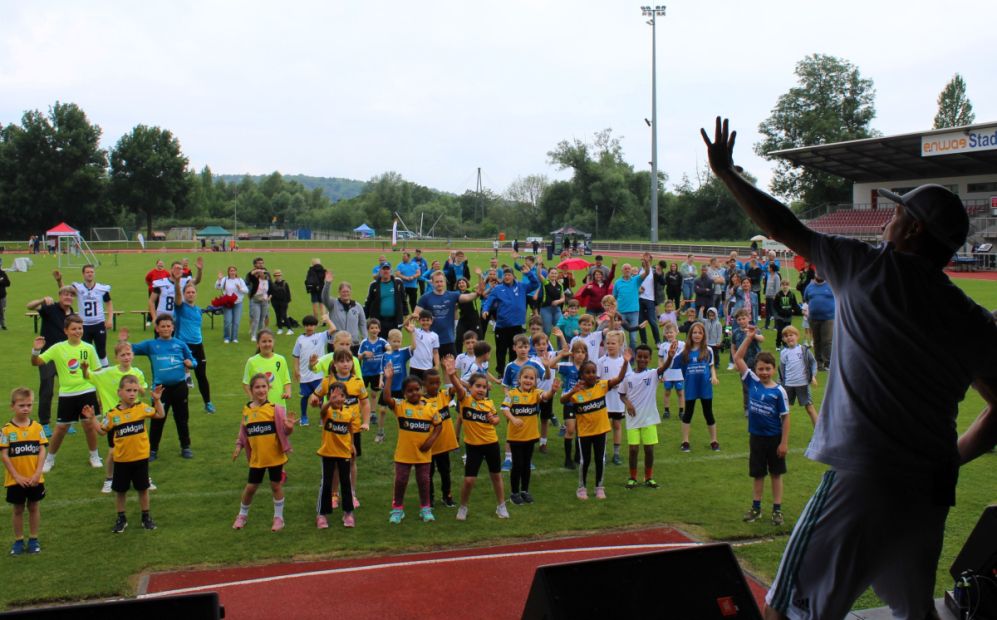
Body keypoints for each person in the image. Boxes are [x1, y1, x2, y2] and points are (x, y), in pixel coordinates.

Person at [703, 117, 997, 619]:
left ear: (913, 228)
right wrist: (952, 457)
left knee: (788, 611)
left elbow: (782, 226)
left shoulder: (866, 268)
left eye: (899, 212)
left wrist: (727, 174)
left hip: (861, 482)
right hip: (926, 491)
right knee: (915, 612)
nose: (888, 218)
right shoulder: (973, 320)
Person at [82, 378, 165, 533]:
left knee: (143, 488)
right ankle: (121, 518)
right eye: (128, 390)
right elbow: (101, 431)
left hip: (140, 458)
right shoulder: (113, 414)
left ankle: (146, 516)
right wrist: (93, 418)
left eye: (134, 390)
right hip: (121, 460)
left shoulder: (142, 408)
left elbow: (160, 414)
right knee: (121, 491)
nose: (132, 394)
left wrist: (157, 400)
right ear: (119, 392)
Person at [733, 326, 790, 527]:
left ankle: (777, 510)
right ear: (756, 369)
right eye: (761, 369)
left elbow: (786, 418)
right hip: (756, 437)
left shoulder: (779, 392)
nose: (764, 372)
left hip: (774, 439)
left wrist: (784, 443)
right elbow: (738, 359)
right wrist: (749, 338)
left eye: (768, 369)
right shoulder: (753, 382)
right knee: (758, 474)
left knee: (775, 474)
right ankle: (756, 508)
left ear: (773, 369)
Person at [31, 315, 102, 473]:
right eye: (74, 329)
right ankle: (49, 459)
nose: (78, 331)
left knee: (89, 425)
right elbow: (36, 362)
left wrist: (100, 395)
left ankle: (94, 456)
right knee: (61, 428)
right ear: (66, 331)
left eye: (80, 328)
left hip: (87, 391)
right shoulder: (58, 348)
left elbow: (97, 373)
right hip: (67, 394)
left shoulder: (88, 348)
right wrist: (36, 350)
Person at [120, 318, 197, 461]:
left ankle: (185, 447)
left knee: (182, 418)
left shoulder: (180, 344)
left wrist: (190, 363)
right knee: (157, 418)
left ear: (173, 327)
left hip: (180, 387)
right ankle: (153, 449)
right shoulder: (151, 345)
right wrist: (123, 342)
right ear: (157, 328)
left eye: (168, 326)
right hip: (160, 390)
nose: (166, 328)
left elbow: (194, 361)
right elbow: (131, 349)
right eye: (163, 326)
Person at [560, 350, 631, 500]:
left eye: (593, 372)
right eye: (588, 372)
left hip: (601, 431)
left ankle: (599, 487)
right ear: (581, 375)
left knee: (600, 460)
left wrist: (625, 362)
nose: (592, 375)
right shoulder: (576, 393)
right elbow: (562, 400)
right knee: (584, 461)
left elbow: (618, 379)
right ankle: (581, 487)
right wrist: (572, 391)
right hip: (584, 433)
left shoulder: (601, 386)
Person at [444, 358, 508, 521]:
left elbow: (496, 419)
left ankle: (501, 505)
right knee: (469, 480)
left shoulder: (489, 403)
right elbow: (458, 387)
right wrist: (452, 376)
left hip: (491, 444)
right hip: (473, 446)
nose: (481, 390)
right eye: (477, 386)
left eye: (484, 387)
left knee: (496, 476)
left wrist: (495, 420)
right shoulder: (465, 400)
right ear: (470, 387)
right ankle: (463, 506)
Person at [82, 342, 150, 494]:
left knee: (137, 448)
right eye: (123, 355)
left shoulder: (137, 372)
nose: (126, 357)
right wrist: (85, 369)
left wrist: (139, 388)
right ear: (116, 357)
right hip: (115, 419)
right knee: (114, 451)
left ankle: (144, 477)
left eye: (129, 354)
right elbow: (89, 376)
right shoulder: (108, 373)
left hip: (134, 417)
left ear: (133, 355)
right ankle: (109, 478)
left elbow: (144, 392)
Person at [231, 373, 296, 532]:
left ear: (269, 388)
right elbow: (244, 431)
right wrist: (239, 446)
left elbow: (284, 432)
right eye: (257, 387)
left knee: (276, 486)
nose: (261, 390)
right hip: (257, 458)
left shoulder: (276, 409)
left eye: (263, 386)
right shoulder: (246, 410)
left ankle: (279, 518)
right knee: (251, 487)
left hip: (274, 457)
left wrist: (289, 426)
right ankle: (242, 515)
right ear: (251, 390)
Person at [380, 366, 442, 524]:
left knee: (424, 481)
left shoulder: (430, 408)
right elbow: (387, 398)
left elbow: (439, 426)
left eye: (417, 389)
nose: (414, 393)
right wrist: (389, 379)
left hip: (423, 454)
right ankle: (397, 509)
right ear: (404, 393)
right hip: (404, 453)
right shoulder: (401, 406)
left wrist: (430, 441)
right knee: (401, 480)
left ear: (421, 389)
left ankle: (425, 509)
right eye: (410, 391)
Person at [310, 349, 370, 509]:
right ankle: (334, 494)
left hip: (352, 429)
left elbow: (365, 403)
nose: (345, 364)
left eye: (348, 361)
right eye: (341, 361)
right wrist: (314, 400)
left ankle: (351, 493)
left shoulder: (358, 382)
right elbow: (314, 396)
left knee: (351, 461)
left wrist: (366, 421)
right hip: (333, 430)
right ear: (334, 364)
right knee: (336, 464)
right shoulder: (327, 381)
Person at [619, 343, 675, 489]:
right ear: (635, 358)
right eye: (640, 356)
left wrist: (670, 357)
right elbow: (621, 394)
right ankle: (632, 478)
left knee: (649, 449)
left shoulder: (652, 374)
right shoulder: (628, 377)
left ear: (650, 359)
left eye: (645, 357)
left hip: (649, 419)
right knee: (633, 449)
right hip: (632, 419)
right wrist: (628, 404)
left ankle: (649, 477)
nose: (642, 359)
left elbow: (664, 367)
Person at [501, 365, 558, 505]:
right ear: (519, 379)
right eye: (525, 377)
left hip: (531, 436)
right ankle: (514, 493)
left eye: (531, 378)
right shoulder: (512, 394)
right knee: (517, 464)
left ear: (535, 381)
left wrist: (552, 390)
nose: (528, 380)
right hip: (515, 437)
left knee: (526, 465)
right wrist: (513, 419)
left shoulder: (536, 393)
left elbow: (546, 396)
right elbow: (504, 409)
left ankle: (524, 491)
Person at [2, 388, 46, 555]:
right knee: (18, 509)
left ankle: (34, 539)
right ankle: (19, 540)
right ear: (12, 406)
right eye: (22, 405)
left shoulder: (37, 427)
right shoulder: (6, 430)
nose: (26, 408)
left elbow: (42, 451)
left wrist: (37, 474)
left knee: (34, 507)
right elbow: (5, 456)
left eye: (29, 405)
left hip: (35, 478)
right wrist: (17, 476)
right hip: (16, 480)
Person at [26, 286, 75, 435]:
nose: (68, 297)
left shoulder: (72, 314)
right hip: (47, 356)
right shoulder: (50, 308)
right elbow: (29, 305)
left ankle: (66, 421)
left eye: (71, 295)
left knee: (69, 388)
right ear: (59, 296)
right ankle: (45, 423)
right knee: (47, 390)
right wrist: (42, 300)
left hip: (66, 357)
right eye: (65, 294)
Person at [315, 382, 359, 528]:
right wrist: (328, 403)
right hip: (328, 452)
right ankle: (321, 514)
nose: (338, 398)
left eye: (341, 395)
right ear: (329, 397)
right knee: (326, 483)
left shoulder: (349, 411)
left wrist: (352, 445)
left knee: (345, 482)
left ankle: (348, 513)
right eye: (334, 395)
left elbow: (349, 429)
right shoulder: (327, 411)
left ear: (345, 397)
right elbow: (322, 412)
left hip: (344, 452)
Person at [481, 265, 539, 375]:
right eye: (505, 275)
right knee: (501, 350)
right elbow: (489, 301)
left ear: (513, 276)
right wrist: (485, 310)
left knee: (515, 349)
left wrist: (529, 274)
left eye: (509, 275)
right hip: (502, 326)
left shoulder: (521, 286)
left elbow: (535, 284)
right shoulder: (498, 288)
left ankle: (513, 370)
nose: (507, 277)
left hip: (516, 325)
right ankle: (501, 372)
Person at [670, 321, 719, 452]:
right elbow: (674, 364)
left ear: (704, 335)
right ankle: (685, 441)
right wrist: (672, 353)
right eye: (694, 332)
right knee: (688, 413)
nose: (697, 335)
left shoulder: (708, 350)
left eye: (700, 332)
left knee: (708, 413)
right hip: (691, 386)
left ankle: (714, 441)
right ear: (690, 334)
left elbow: (711, 366)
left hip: (705, 386)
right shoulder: (685, 351)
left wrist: (714, 376)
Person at [416, 270, 481, 359]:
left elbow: (467, 297)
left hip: (448, 340)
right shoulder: (425, 298)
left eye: (441, 281)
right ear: (432, 283)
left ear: (445, 282)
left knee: (450, 370)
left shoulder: (452, 295)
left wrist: (477, 293)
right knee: (432, 370)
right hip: (430, 340)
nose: (439, 284)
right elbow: (416, 314)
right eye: (437, 282)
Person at [173, 282, 214, 414]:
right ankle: (176, 405)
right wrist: (177, 283)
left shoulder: (198, 310)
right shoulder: (180, 307)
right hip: (183, 346)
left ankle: (208, 403)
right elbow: (178, 298)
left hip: (198, 346)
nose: (190, 294)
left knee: (201, 375)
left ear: (196, 294)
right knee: (178, 378)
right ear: (184, 294)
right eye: (188, 292)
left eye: (193, 292)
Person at [422, 369, 458, 508]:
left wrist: (451, 374)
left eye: (438, 382)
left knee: (445, 471)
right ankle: (429, 498)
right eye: (432, 383)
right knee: (428, 474)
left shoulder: (443, 395)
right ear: (424, 384)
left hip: (443, 445)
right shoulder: (421, 401)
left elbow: (457, 388)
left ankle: (447, 496)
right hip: (429, 446)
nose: (435, 385)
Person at [597, 331, 630, 466]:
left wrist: (621, 386)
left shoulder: (624, 362)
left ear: (620, 344)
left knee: (617, 425)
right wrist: (607, 385)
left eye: (613, 343)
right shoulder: (601, 361)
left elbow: (628, 379)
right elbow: (597, 380)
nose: (610, 346)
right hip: (605, 399)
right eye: (608, 343)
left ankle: (616, 454)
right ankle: (602, 452)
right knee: (604, 427)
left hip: (618, 400)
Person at [778, 326, 819, 427]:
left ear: (797, 336)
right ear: (783, 339)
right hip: (788, 385)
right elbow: (782, 370)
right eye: (786, 336)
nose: (789, 337)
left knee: (809, 408)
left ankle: (819, 432)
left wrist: (813, 376)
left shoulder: (803, 350)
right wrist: (779, 384)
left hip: (803, 384)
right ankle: (778, 433)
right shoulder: (783, 353)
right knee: (784, 410)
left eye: (791, 335)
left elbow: (813, 363)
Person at [292, 315, 326, 427]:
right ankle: (304, 417)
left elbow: (333, 329)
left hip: (318, 374)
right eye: (307, 325)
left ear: (316, 326)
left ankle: (323, 417)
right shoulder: (300, 339)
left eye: (311, 325)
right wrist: (296, 370)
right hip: (304, 375)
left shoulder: (321, 336)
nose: (309, 327)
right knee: (304, 397)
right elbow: (296, 356)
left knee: (320, 396)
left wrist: (327, 319)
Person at [357, 318, 388, 442]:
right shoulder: (364, 342)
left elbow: (389, 347)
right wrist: (364, 354)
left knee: (374, 393)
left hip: (377, 372)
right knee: (361, 394)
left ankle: (373, 413)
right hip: (365, 372)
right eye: (372, 328)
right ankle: (358, 413)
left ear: (379, 329)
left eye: (376, 328)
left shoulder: (382, 342)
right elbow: (358, 356)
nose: (374, 330)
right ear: (368, 329)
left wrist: (391, 348)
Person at [322, 271, 367, 348]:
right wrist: (328, 283)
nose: (345, 293)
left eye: (347, 291)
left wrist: (365, 339)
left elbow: (362, 324)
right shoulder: (333, 304)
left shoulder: (357, 306)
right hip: (335, 344)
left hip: (353, 344)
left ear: (351, 292)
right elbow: (324, 298)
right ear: (339, 292)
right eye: (343, 292)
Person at [803, 271, 835, 371]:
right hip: (813, 318)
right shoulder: (810, 287)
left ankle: (828, 363)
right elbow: (806, 299)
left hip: (828, 318)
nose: (819, 274)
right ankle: (818, 363)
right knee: (817, 341)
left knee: (827, 341)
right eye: (818, 273)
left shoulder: (831, 285)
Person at [364, 263, 408, 334]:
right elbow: (368, 303)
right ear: (380, 271)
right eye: (383, 269)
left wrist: (406, 316)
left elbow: (404, 300)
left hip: (395, 321)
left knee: (395, 343)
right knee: (379, 343)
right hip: (378, 322)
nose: (386, 271)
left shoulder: (398, 283)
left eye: (387, 269)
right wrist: (363, 318)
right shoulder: (374, 285)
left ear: (390, 271)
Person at [657, 322, 685, 420]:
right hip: (667, 373)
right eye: (667, 333)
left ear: (676, 332)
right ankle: (666, 411)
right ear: (665, 334)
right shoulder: (663, 346)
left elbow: (686, 359)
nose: (669, 334)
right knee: (667, 391)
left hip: (679, 373)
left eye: (671, 332)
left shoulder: (682, 345)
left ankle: (681, 411)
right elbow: (660, 360)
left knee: (680, 392)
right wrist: (660, 374)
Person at [215, 266, 249, 343]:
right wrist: (219, 279)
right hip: (227, 303)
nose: (232, 272)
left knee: (236, 322)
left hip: (238, 303)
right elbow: (217, 287)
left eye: (234, 271)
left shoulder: (240, 280)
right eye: (231, 271)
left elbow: (246, 290)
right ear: (228, 272)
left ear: (236, 272)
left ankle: (234, 338)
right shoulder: (225, 279)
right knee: (227, 321)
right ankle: (227, 337)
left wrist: (240, 289)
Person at [245, 257, 272, 342]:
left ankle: (261, 334)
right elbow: (248, 280)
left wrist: (269, 297)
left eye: (262, 263)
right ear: (255, 264)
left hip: (264, 300)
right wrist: (256, 271)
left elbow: (271, 287)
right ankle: (253, 335)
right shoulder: (253, 277)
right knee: (255, 318)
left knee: (263, 318)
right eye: (259, 263)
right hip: (255, 299)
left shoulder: (267, 275)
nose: (261, 264)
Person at [772, 280, 800, 349]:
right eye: (783, 285)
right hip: (780, 316)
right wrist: (779, 311)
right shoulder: (778, 295)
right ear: (781, 286)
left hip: (788, 316)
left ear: (789, 286)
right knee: (780, 330)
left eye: (786, 285)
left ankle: (785, 344)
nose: (785, 286)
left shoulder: (792, 295)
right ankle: (778, 344)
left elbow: (795, 305)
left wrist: (797, 311)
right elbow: (775, 305)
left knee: (787, 331)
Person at [270, 270, 292, 336]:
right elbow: (271, 293)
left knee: (284, 315)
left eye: (279, 275)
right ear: (274, 277)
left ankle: (290, 329)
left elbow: (288, 293)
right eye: (276, 276)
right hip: (275, 302)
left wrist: (287, 302)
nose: (278, 277)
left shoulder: (285, 283)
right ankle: (280, 328)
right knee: (278, 315)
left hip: (283, 302)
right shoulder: (273, 284)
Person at [763, 262, 781, 330]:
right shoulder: (769, 275)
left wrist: (775, 296)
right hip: (768, 296)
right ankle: (766, 326)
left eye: (769, 267)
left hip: (773, 297)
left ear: (772, 268)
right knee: (767, 311)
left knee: (774, 311)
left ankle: (776, 326)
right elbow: (767, 286)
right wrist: (766, 295)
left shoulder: (777, 276)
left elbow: (777, 287)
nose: (768, 268)